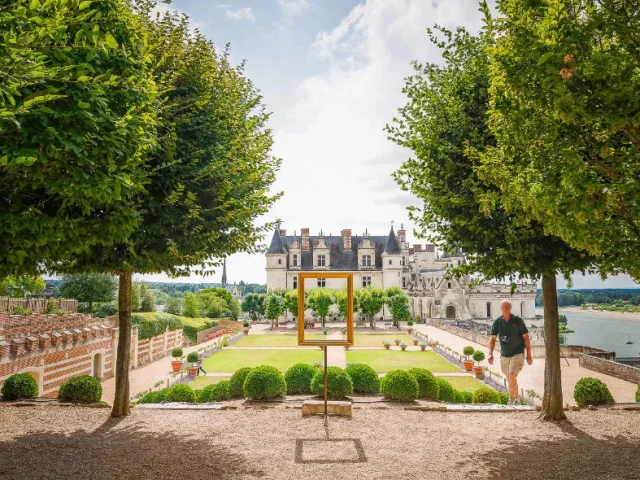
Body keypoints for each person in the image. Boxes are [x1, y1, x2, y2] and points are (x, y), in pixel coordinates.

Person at [488, 299, 532, 405]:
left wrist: (529, 355)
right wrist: (490, 354)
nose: (506, 309)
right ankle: (516, 400)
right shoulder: (497, 322)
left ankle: (511, 400)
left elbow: (526, 338)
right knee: (511, 378)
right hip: (504, 355)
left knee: (511, 375)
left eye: (507, 307)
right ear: (501, 309)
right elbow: (493, 339)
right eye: (504, 308)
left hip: (518, 353)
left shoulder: (518, 320)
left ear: (511, 307)